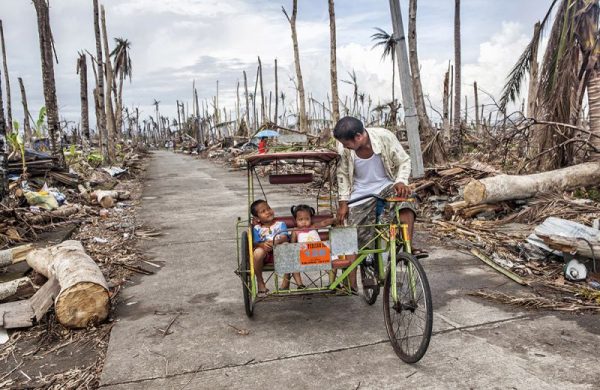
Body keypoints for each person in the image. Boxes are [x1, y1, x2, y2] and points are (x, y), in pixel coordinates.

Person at [333, 116, 417, 292]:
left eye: (346, 142)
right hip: (360, 194)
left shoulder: (384, 137)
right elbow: (342, 175)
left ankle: (407, 247)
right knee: (355, 237)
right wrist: (343, 203)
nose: (344, 146)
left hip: (387, 186)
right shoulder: (343, 149)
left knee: (407, 201)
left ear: (358, 137)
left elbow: (404, 160)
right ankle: (357, 277)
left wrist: (401, 181)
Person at [280, 204, 336, 290]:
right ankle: (300, 285)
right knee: (293, 264)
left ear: (311, 219)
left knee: (333, 258)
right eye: (300, 219)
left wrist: (335, 219)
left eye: (307, 219)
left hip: (319, 252)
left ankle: (332, 282)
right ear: (296, 220)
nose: (304, 222)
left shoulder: (313, 227)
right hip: (304, 254)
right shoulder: (296, 231)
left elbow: (324, 223)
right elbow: (293, 244)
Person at [250, 199, 289, 295]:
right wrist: (262, 245)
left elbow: (284, 237)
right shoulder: (257, 228)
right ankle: (260, 281)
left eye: (268, 208)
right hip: (265, 254)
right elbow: (256, 243)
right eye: (263, 211)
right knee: (257, 252)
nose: (267, 212)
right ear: (257, 218)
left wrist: (277, 241)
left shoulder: (280, 224)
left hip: (280, 252)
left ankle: (286, 279)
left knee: (286, 246)